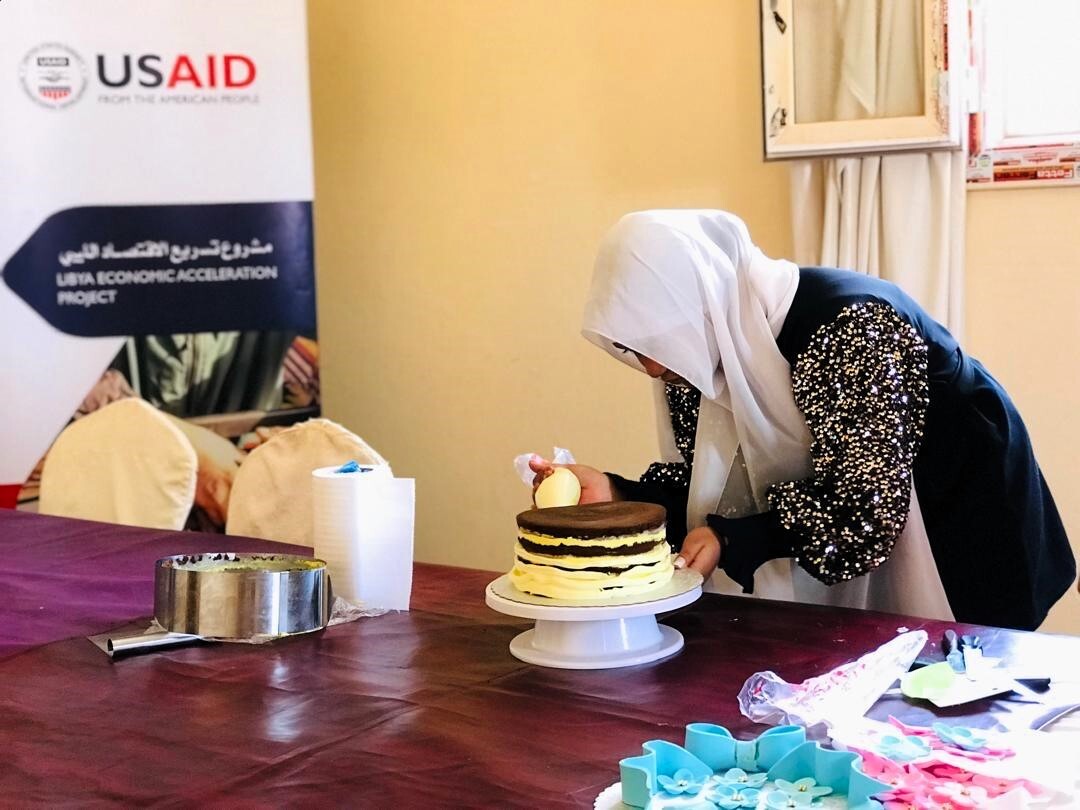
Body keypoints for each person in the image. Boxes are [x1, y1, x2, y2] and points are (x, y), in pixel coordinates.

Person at [530, 210, 1074, 631]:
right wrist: (617, 494)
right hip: (871, 515)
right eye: (632, 347)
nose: (650, 365)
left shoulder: (851, 327)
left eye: (658, 341)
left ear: (700, 305)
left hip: (955, 514)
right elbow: (713, 486)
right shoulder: (699, 354)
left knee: (964, 696)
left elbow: (862, 516)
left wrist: (732, 537)